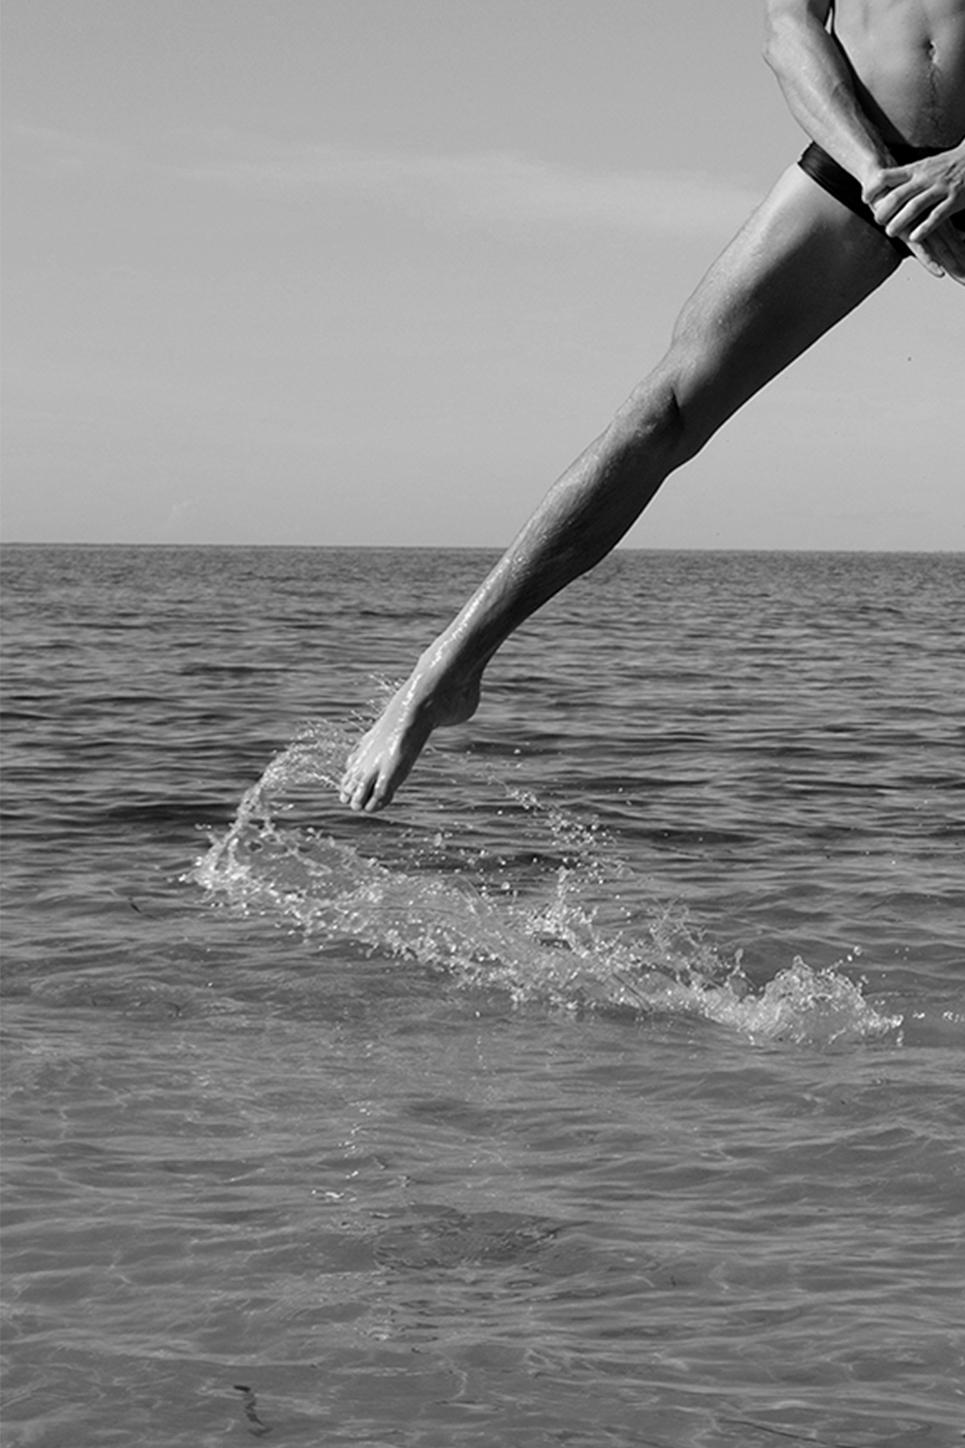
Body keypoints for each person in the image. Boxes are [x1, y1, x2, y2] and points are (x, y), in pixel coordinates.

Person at [340, 0, 965, 814]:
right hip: (868, 165)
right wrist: (879, 180)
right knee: (658, 414)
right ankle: (447, 671)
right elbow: (789, 38)